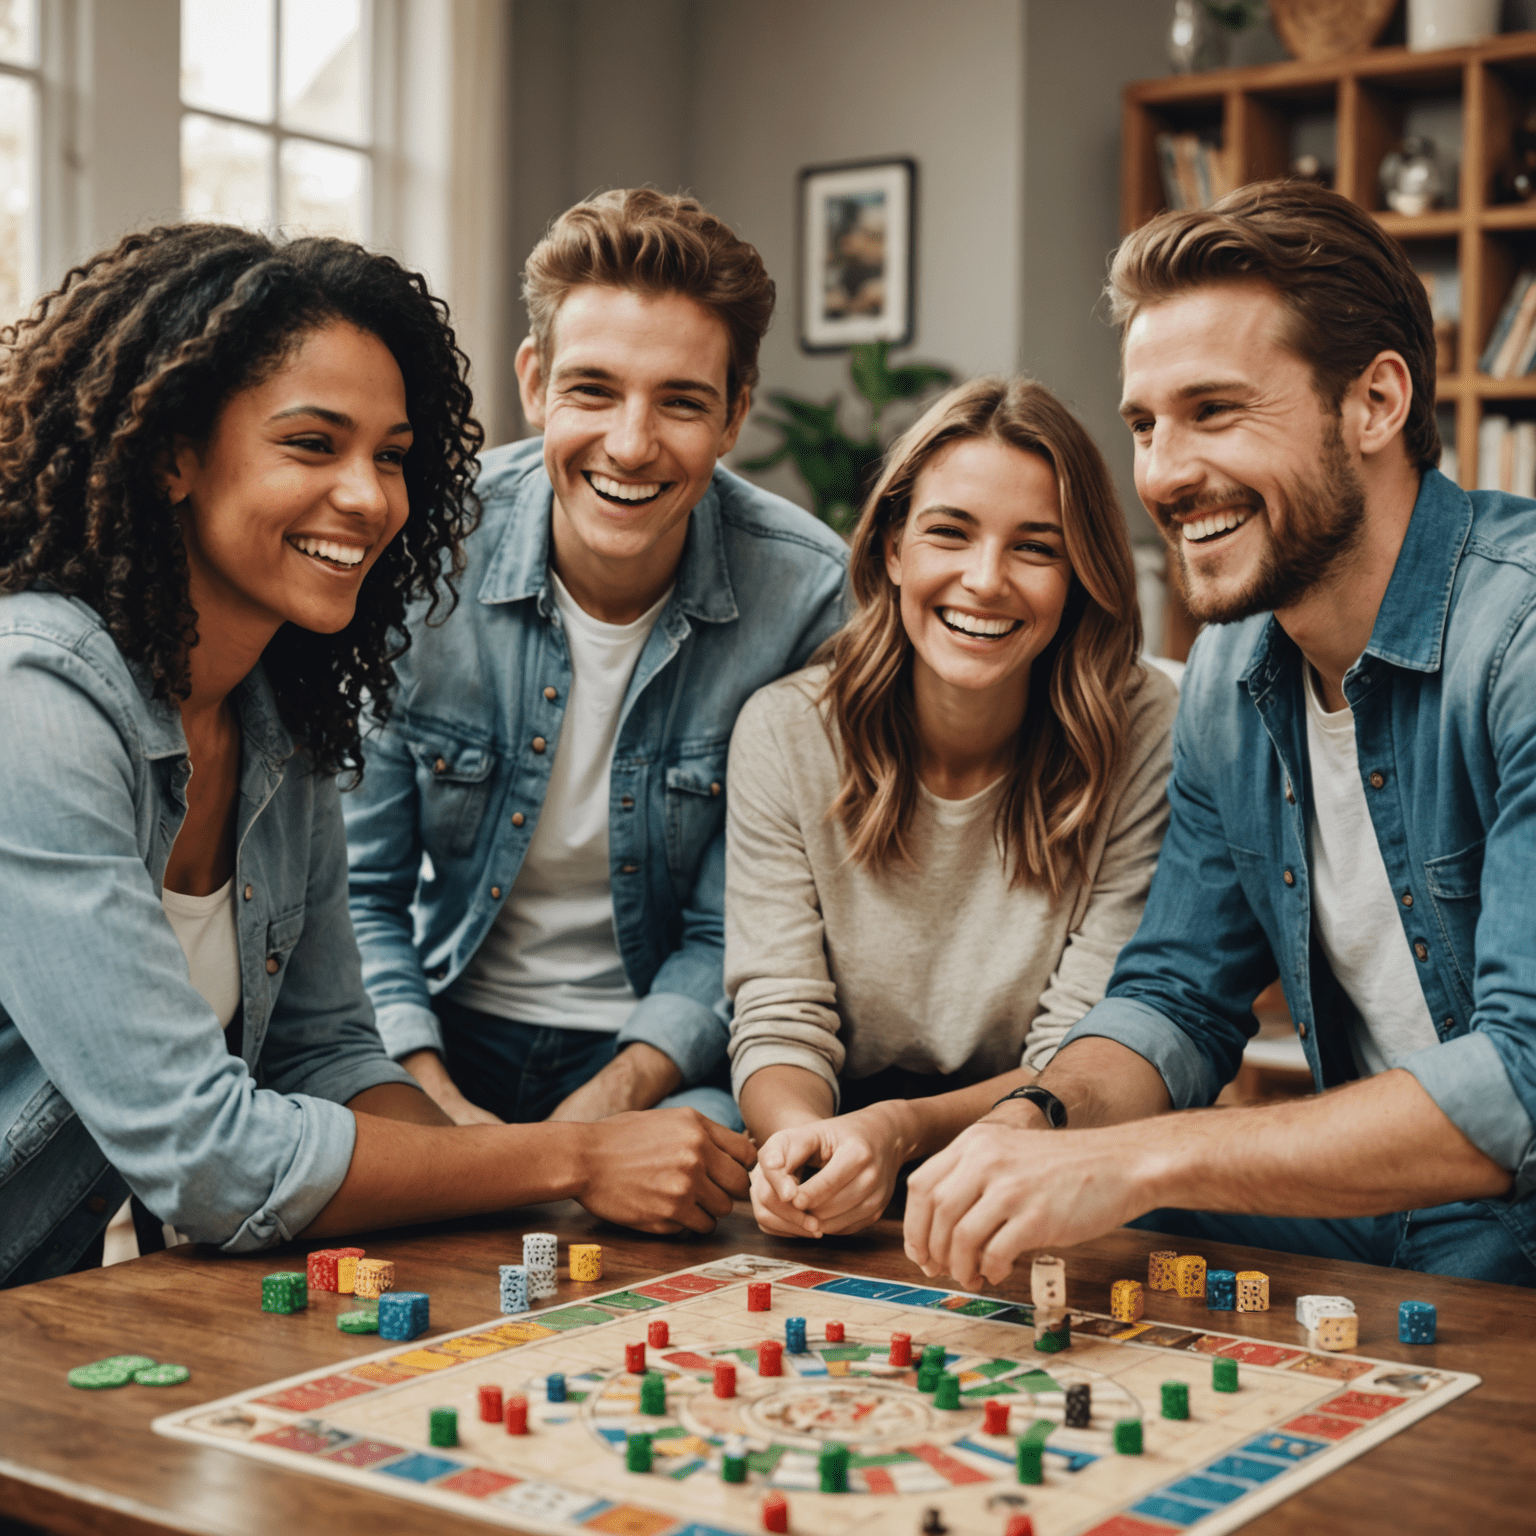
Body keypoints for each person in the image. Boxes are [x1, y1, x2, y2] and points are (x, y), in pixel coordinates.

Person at [0, 223, 755, 1289]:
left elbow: (325, 1053)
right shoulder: (34, 694)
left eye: (391, 456)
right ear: (172, 451)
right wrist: (575, 1156)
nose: (369, 498)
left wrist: (526, 1215)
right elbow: (206, 1157)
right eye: (313, 445)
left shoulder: (280, 704)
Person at [904, 181, 1536, 1291]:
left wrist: (1133, 1159)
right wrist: (1030, 1123)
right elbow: (1176, 997)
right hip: (1388, 1215)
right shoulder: (1228, 676)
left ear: (1376, 401)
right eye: (1145, 423)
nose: (1162, 473)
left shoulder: (1519, 637)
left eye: (1215, 411)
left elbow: (1524, 1083)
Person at [343, 189, 848, 1134]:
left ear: (735, 413)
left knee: (720, 1166)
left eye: (682, 402)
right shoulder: (418, 551)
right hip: (436, 1022)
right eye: (594, 389)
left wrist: (596, 1121)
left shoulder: (808, 597)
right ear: (535, 383)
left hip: (670, 1048)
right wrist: (430, 1099)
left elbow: (740, 928)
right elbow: (358, 891)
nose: (630, 443)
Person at [727, 378, 1178, 1239]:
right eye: (950, 532)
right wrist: (807, 1153)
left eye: (1035, 548)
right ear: (894, 548)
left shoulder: (1143, 728)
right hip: (845, 1139)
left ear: (1082, 571)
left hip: (1051, 1137)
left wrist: (900, 1133)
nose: (984, 581)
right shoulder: (786, 731)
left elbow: (1086, 1054)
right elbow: (779, 1016)